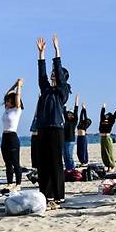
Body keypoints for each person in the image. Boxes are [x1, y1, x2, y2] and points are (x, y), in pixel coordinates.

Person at [35, 34, 71, 208]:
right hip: (43, 128)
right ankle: (46, 194)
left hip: (57, 128)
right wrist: (41, 54)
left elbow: (60, 75)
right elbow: (41, 76)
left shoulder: (62, 92)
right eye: (52, 74)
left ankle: (59, 195)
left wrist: (57, 51)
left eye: (55, 74)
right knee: (43, 163)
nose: (52, 76)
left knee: (56, 162)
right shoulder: (46, 90)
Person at [2, 78, 24, 190]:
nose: (6, 102)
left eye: (8, 101)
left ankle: (18, 184)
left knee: (15, 162)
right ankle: (10, 182)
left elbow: (17, 96)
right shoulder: (6, 110)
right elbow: (7, 93)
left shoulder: (17, 110)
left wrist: (19, 86)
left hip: (12, 137)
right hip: (4, 137)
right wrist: (14, 85)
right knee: (7, 163)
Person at [98, 103, 116, 171]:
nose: (106, 116)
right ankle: (108, 166)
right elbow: (101, 114)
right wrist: (103, 107)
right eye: (106, 115)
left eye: (108, 115)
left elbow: (115, 115)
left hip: (107, 138)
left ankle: (112, 166)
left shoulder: (111, 121)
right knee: (104, 153)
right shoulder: (102, 120)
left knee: (109, 152)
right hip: (102, 138)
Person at [63, 95, 79, 171]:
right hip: (64, 140)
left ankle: (72, 168)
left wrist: (76, 102)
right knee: (65, 156)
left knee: (69, 156)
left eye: (70, 114)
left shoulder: (74, 121)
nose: (69, 114)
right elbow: (64, 111)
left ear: (73, 115)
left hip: (70, 141)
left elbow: (76, 111)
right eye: (68, 113)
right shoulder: (66, 120)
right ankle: (67, 168)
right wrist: (64, 101)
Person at [77, 101, 92, 166]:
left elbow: (85, 117)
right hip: (79, 137)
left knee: (83, 149)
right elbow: (81, 116)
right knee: (78, 150)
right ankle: (82, 161)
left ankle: (84, 161)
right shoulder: (80, 123)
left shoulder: (85, 125)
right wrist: (82, 109)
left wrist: (85, 109)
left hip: (83, 137)